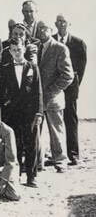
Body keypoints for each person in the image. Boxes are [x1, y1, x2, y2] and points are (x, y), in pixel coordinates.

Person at [0, 37, 43, 187]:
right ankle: (14, 175)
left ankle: (31, 176)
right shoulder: (5, 68)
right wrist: (4, 105)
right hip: (12, 113)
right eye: (14, 50)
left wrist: (39, 113)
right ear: (10, 51)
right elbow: (1, 91)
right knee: (14, 144)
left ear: (24, 49)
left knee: (31, 144)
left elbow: (38, 92)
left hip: (29, 113)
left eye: (19, 49)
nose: (17, 53)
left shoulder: (33, 67)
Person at [35, 20, 74, 172]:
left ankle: (61, 162)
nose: (41, 31)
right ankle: (38, 163)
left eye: (45, 29)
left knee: (57, 132)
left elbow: (67, 76)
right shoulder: (35, 47)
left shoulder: (60, 48)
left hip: (53, 99)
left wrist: (51, 91)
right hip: (37, 100)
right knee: (36, 132)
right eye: (39, 29)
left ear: (51, 30)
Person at [53, 15, 87, 166]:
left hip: (71, 88)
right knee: (54, 121)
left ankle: (73, 154)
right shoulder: (51, 40)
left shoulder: (78, 43)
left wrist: (74, 85)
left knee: (70, 119)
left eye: (64, 21)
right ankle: (57, 154)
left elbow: (81, 68)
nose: (61, 24)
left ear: (69, 24)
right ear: (55, 24)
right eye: (59, 21)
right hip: (53, 87)